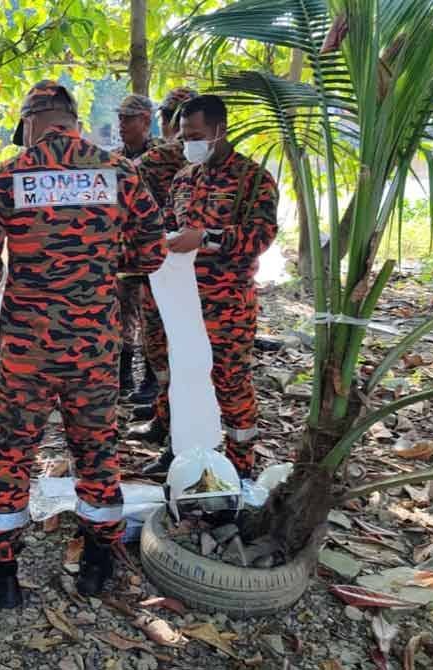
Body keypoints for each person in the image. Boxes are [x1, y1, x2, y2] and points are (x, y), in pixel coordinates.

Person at [0, 80, 165, 608]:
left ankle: (0, 571)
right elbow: (152, 255)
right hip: (96, 344)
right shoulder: (120, 172)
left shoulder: (10, 176)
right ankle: (98, 562)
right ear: (73, 120)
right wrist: (99, 271)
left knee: (13, 454)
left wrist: (26, 271)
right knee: (97, 451)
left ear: (32, 123)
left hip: (28, 349)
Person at [149, 94, 279, 479]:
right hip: (183, 301)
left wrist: (206, 238)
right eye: (183, 135)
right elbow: (171, 222)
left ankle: (240, 466)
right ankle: (178, 457)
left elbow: (261, 236)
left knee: (230, 381)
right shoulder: (184, 178)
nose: (187, 143)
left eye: (195, 135)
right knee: (181, 378)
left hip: (228, 304)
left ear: (220, 130)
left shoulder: (253, 179)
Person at [127, 87, 200, 459]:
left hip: (172, 269)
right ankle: (164, 422)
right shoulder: (196, 157)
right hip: (171, 268)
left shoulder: (165, 156)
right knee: (164, 352)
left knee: (168, 354)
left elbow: (125, 176)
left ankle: (177, 439)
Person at [113, 94, 163, 401]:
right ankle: (123, 377)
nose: (122, 125)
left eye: (128, 119)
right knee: (121, 313)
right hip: (122, 252)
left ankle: (151, 380)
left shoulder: (164, 156)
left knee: (152, 316)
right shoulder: (114, 157)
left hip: (151, 248)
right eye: (119, 118)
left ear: (146, 120)